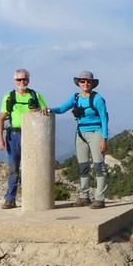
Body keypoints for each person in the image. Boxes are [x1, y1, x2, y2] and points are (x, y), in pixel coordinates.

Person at [43, 71, 109, 208]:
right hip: (80, 134)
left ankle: (100, 198)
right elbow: (62, 109)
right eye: (82, 81)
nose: (85, 83)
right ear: (78, 83)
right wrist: (48, 110)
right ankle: (84, 196)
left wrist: (104, 138)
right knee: (83, 166)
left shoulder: (97, 99)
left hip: (95, 133)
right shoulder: (76, 98)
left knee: (99, 166)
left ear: (92, 84)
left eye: (88, 81)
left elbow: (104, 118)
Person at [0, 69, 48, 209]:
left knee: (32, 168)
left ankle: (34, 198)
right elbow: (1, 118)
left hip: (32, 136)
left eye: (24, 79)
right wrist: (0, 139)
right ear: (14, 81)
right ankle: (10, 199)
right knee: (13, 168)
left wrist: (39, 110)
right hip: (14, 136)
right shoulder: (9, 97)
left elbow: (46, 112)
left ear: (28, 80)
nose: (22, 82)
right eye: (19, 80)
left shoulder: (35, 95)